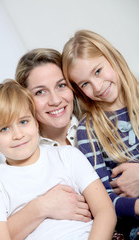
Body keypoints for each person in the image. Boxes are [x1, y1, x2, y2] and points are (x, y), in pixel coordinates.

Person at [0, 80, 116, 240]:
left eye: (23, 122)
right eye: (4, 129)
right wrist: (41, 207)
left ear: (36, 122)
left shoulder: (67, 156)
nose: (18, 135)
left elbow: (105, 212)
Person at [62, 29, 139, 239]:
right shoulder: (88, 131)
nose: (96, 87)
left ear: (112, 57)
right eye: (84, 84)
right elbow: (104, 203)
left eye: (97, 71)